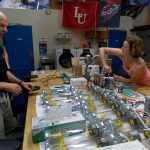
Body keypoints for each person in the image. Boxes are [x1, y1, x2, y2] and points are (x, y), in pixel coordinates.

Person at [0, 11, 34, 139]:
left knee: (9, 131)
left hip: (3, 99)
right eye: (1, 26)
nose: (6, 30)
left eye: (6, 26)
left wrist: (21, 83)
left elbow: (6, 72)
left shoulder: (0, 44)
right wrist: (4, 85)